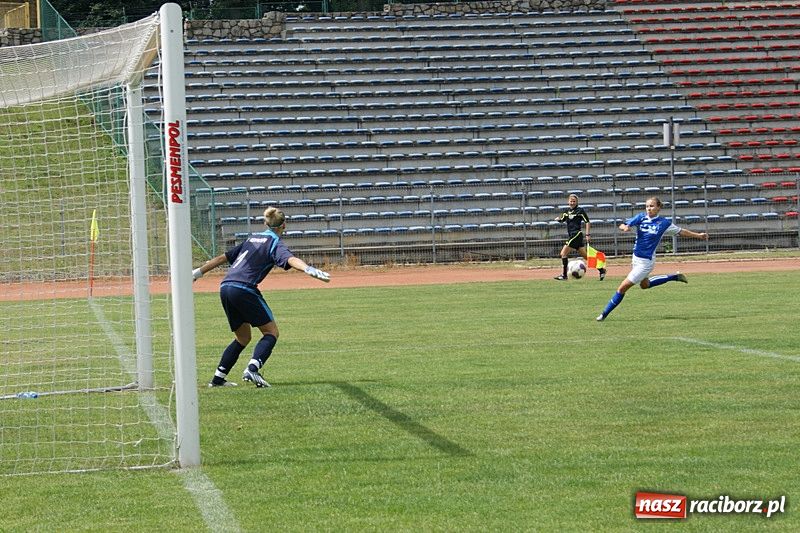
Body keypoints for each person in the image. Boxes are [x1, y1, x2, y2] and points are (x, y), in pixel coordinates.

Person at [191, 207, 330, 388]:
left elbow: (222, 258)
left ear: (265, 223)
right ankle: (252, 369)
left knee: (242, 338)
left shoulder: (251, 238)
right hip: (244, 289)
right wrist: (308, 269)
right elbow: (289, 259)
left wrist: (197, 273)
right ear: (284, 225)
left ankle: (217, 379)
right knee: (271, 332)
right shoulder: (274, 242)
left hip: (225, 287)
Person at [596, 196, 708, 322]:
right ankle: (673, 277)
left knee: (622, 287)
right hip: (636, 259)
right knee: (645, 285)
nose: (649, 208)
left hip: (646, 262)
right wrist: (625, 227)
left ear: (658, 208)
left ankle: (603, 314)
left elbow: (681, 231)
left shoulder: (664, 223)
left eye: (652, 206)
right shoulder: (641, 217)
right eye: (647, 206)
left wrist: (699, 235)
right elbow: (623, 224)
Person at [554, 194, 606, 280]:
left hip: (576, 234)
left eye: (574, 201)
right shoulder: (566, 212)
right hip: (572, 235)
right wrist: (558, 219)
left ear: (577, 202)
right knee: (586, 257)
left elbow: (587, 222)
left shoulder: (580, 211)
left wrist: (587, 234)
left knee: (563, 253)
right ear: (568, 202)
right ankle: (601, 270)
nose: (572, 203)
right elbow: (562, 219)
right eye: (571, 201)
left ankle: (564, 275)